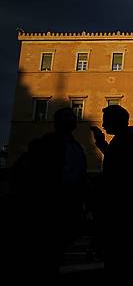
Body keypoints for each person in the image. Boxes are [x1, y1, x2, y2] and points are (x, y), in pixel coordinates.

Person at [5, 107, 87, 278]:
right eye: (67, 116)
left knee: (55, 253)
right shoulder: (45, 144)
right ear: (56, 122)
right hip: (48, 205)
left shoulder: (77, 146)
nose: (73, 119)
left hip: (66, 204)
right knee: (43, 253)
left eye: (74, 116)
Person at [90, 104, 133, 279]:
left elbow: (119, 167)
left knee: (117, 240)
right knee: (119, 239)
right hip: (124, 196)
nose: (103, 125)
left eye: (106, 121)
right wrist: (102, 142)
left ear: (116, 121)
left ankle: (118, 273)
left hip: (120, 197)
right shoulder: (127, 138)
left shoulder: (127, 139)